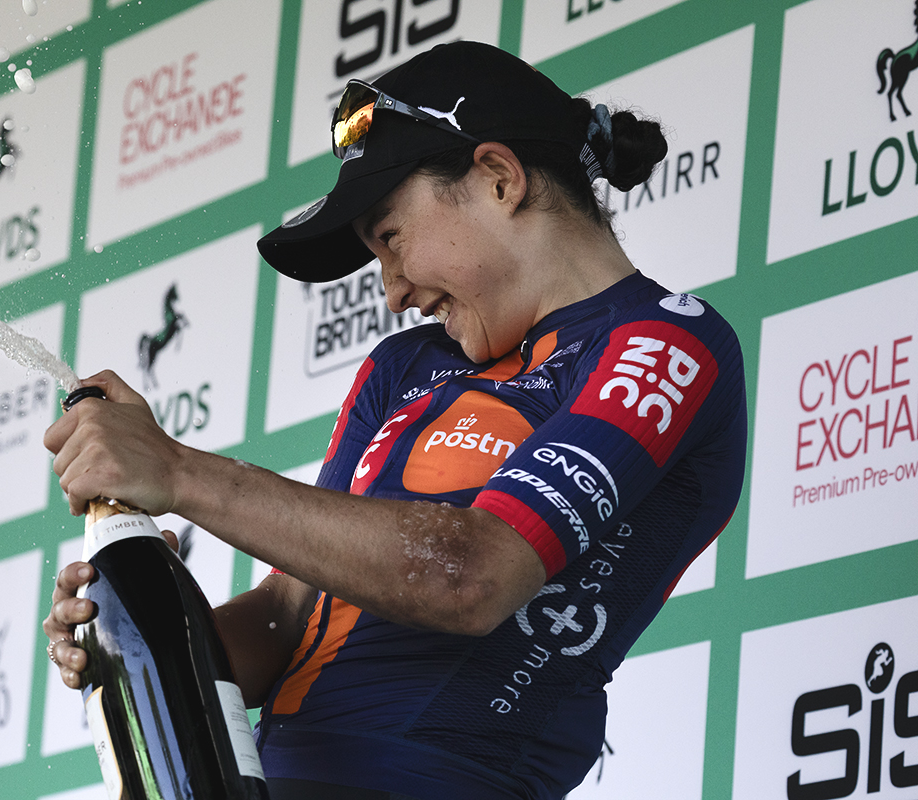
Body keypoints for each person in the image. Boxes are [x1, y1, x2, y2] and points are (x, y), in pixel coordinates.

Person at [43, 41, 746, 800]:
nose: (391, 291)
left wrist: (178, 472)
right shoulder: (403, 366)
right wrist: (140, 637)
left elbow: (471, 577)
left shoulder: (665, 341)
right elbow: (290, 616)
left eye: (390, 238)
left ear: (498, 179)